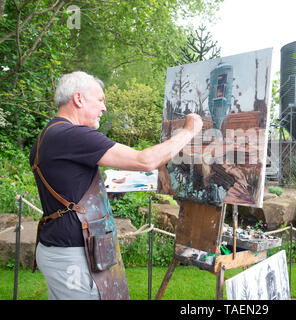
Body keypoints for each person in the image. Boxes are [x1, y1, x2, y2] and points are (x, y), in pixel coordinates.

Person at [29, 71, 202, 300]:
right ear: (79, 99)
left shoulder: (48, 135)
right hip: (74, 256)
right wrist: (189, 131)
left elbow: (72, 190)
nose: (104, 108)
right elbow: (145, 160)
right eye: (100, 100)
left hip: (62, 250)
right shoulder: (73, 135)